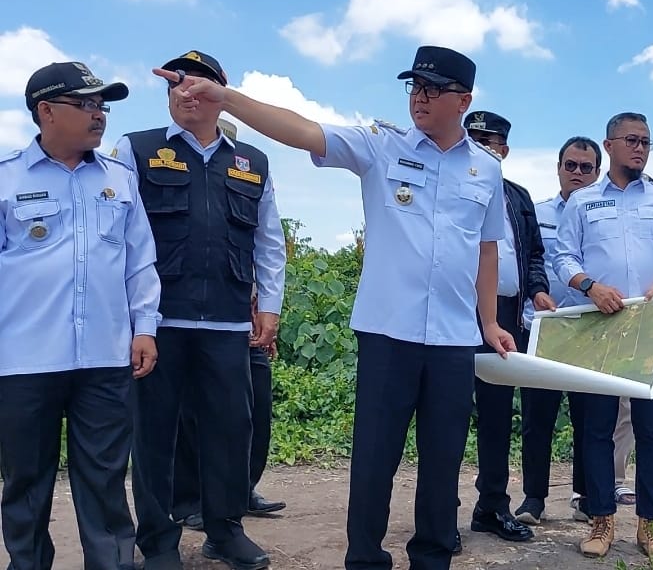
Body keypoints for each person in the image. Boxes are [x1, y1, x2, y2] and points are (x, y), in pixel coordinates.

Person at [152, 44, 517, 570]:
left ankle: (432, 558)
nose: (420, 98)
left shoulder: (486, 169)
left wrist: (488, 321)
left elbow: (486, 250)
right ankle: (364, 560)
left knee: (442, 464)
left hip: (455, 342)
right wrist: (226, 99)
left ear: (464, 100)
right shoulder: (380, 146)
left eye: (433, 90)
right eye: (414, 87)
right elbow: (303, 131)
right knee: (374, 462)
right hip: (388, 335)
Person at [113, 50, 287, 570]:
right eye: (176, 86)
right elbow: (119, 234)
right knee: (154, 437)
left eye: (198, 84)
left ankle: (225, 531)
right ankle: (160, 545)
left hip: (230, 322)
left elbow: (269, 239)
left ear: (219, 93)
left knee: (230, 430)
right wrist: (129, 315)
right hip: (158, 324)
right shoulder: (137, 149)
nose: (186, 93)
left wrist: (270, 306)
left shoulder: (252, 162)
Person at [0, 62, 160, 570]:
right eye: (86, 104)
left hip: (105, 356)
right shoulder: (6, 180)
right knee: (25, 481)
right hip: (24, 359)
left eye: (102, 105)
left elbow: (141, 262)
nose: (99, 116)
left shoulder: (120, 180)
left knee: (106, 482)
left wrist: (146, 328)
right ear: (45, 111)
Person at [554, 112, 653, 558]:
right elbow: (562, 256)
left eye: (647, 142)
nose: (639, 148)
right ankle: (600, 522)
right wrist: (589, 286)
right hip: (598, 327)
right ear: (610, 145)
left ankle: (649, 525)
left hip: (649, 326)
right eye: (632, 140)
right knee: (595, 428)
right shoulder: (582, 202)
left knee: (650, 430)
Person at [462, 110, 551, 542]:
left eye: (491, 141)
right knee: (451, 413)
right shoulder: (455, 188)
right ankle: (442, 512)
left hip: (507, 317)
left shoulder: (517, 196)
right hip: (459, 313)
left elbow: (534, 255)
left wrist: (537, 290)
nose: (483, 147)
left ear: (505, 151)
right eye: (475, 139)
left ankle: (492, 505)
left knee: (498, 416)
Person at [515, 136, 601, 526]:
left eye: (586, 167)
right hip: (543, 328)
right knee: (538, 417)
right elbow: (526, 260)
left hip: (591, 329)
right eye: (571, 165)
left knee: (589, 418)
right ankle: (534, 498)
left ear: (597, 172)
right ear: (559, 168)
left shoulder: (604, 214)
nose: (578, 173)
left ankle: (585, 496)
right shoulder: (538, 212)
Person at [171, 285, 286, 532]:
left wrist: (266, 312)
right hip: (202, 313)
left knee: (257, 405)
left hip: (247, 310)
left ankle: (242, 489)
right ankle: (190, 501)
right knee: (195, 408)